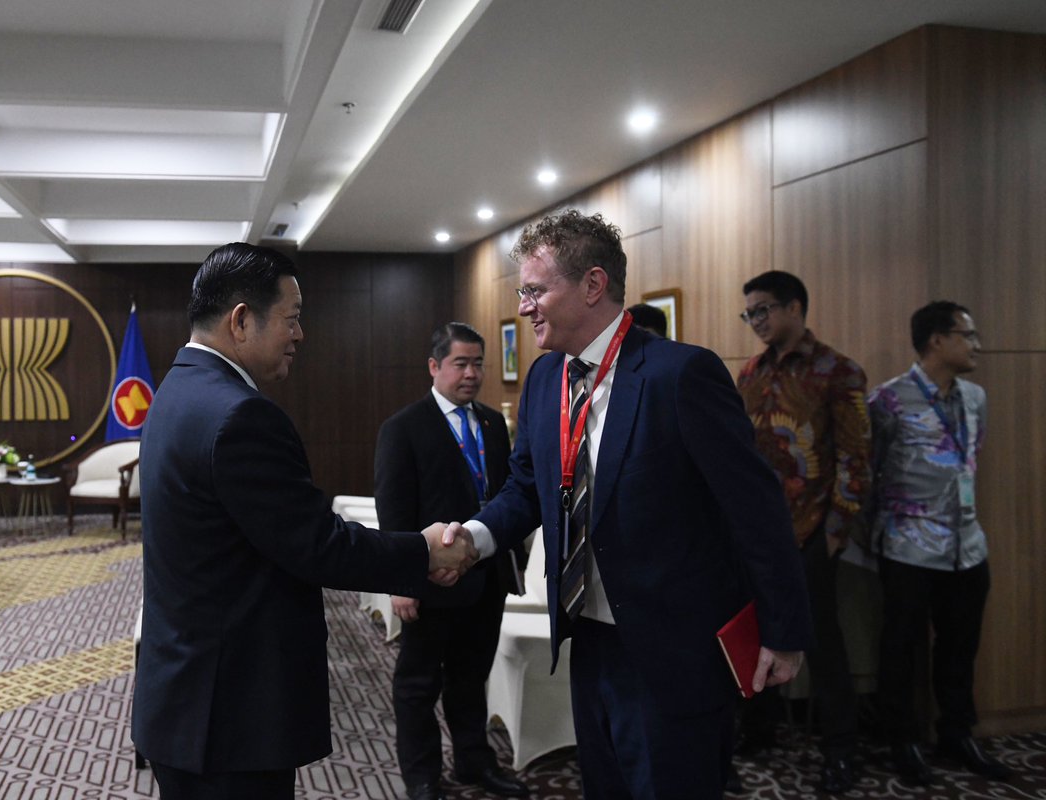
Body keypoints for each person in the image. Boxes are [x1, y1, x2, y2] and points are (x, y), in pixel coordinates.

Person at [460, 209, 814, 800]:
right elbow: (526, 487)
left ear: (593, 285)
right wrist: (475, 537)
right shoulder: (548, 380)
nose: (524, 306)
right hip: (588, 641)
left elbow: (755, 511)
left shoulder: (680, 376)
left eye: (535, 290)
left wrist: (783, 632)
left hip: (673, 650)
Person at [131, 242, 478, 800]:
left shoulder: (177, 390)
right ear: (242, 320)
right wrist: (424, 551)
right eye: (292, 319)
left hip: (188, 696)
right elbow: (317, 544)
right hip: (229, 714)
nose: (300, 335)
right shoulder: (239, 415)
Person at [375, 322, 530, 800]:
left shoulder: (489, 424)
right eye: (461, 363)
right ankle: (421, 775)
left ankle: (473, 763)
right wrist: (401, 581)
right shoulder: (403, 427)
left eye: (478, 363)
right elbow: (395, 511)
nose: (471, 374)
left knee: (471, 678)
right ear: (434, 366)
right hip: (432, 580)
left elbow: (507, 493)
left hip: (488, 576)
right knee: (418, 684)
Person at [735, 270, 870, 793]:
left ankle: (841, 749)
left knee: (823, 644)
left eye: (764, 310)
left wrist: (835, 532)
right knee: (754, 635)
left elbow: (856, 460)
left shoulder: (838, 371)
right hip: (757, 533)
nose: (757, 322)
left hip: (813, 529)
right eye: (750, 314)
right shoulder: (749, 373)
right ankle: (760, 728)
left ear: (795, 307)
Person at [868, 301, 1011, 785]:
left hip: (968, 547)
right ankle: (901, 738)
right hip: (909, 547)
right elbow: (871, 470)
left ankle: (956, 732)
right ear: (936, 341)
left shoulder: (975, 397)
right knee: (902, 649)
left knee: (960, 646)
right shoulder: (888, 400)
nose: (976, 345)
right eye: (967, 336)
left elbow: (970, 459)